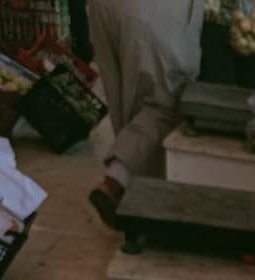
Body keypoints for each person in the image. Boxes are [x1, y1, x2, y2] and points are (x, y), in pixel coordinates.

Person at [88, 0, 205, 228]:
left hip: (102, 8)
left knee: (121, 95)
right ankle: (116, 180)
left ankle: (130, 190)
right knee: (168, 99)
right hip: (147, 10)